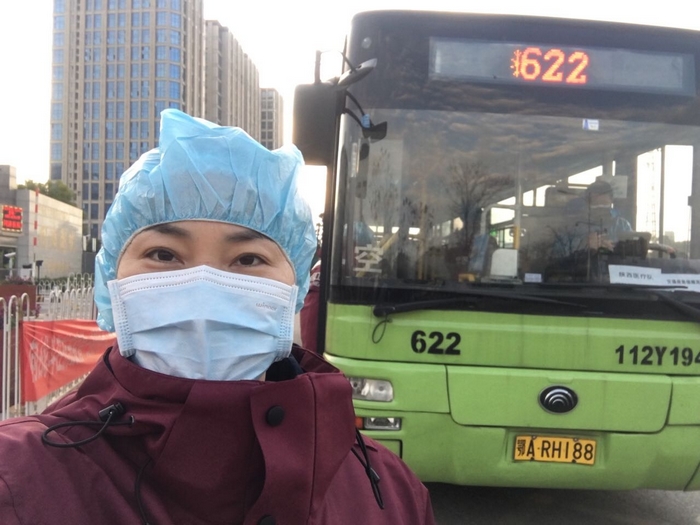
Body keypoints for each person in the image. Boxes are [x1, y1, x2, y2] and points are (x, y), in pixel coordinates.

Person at [0, 110, 435, 524]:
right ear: (112, 277)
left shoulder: (391, 493)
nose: (203, 287)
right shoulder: (17, 477)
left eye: (248, 259)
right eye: (163, 254)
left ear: (297, 286)